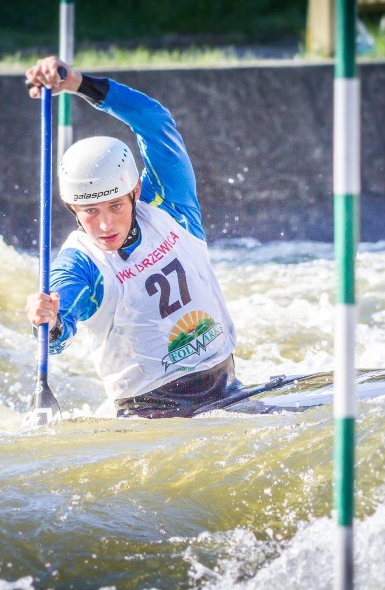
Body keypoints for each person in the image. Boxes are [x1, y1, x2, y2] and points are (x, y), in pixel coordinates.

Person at [24, 56, 238, 419]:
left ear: (135, 191)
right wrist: (50, 320)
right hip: (148, 411)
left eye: (115, 207)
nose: (105, 225)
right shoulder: (80, 263)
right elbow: (61, 322)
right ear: (70, 207)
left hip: (226, 387)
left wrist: (79, 83)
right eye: (90, 211)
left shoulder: (171, 206)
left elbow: (154, 121)